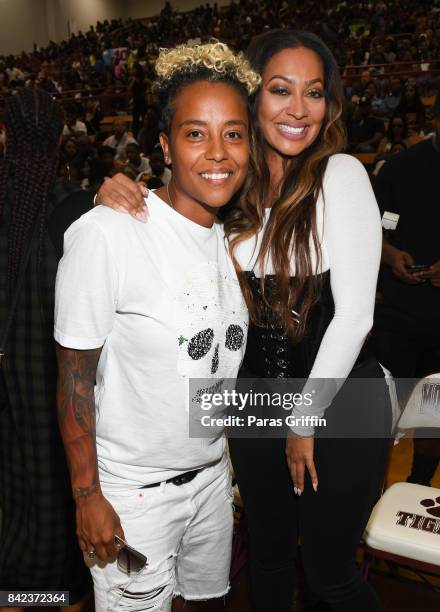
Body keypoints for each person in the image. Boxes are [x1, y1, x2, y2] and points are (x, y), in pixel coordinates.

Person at [97, 29, 393, 612]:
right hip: (253, 407)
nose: (298, 109)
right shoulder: (226, 188)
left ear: (330, 104)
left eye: (314, 93)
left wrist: (303, 421)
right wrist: (115, 193)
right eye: (281, 90)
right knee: (269, 558)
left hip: (341, 402)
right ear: (253, 98)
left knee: (330, 574)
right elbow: (160, 213)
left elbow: (355, 317)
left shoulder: (342, 177)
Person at [54, 43, 259, 612]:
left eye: (233, 134)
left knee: (208, 604)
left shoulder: (232, 234)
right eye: (196, 134)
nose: (218, 152)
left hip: (213, 481)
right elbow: (73, 380)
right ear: (166, 146)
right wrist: (87, 496)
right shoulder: (110, 234)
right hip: (133, 498)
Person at [0, 89, 92, 610]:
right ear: (59, 140)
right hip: (53, 377)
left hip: (6, 376)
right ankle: (59, 594)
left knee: (12, 487)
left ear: (7, 133)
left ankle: (13, 592)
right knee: (56, 490)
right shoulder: (73, 205)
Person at [372, 89, 440, 487]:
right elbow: (371, 230)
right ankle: (372, 490)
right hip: (396, 313)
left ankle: (416, 484)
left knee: (434, 414)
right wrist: (390, 255)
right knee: (384, 410)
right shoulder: (399, 169)